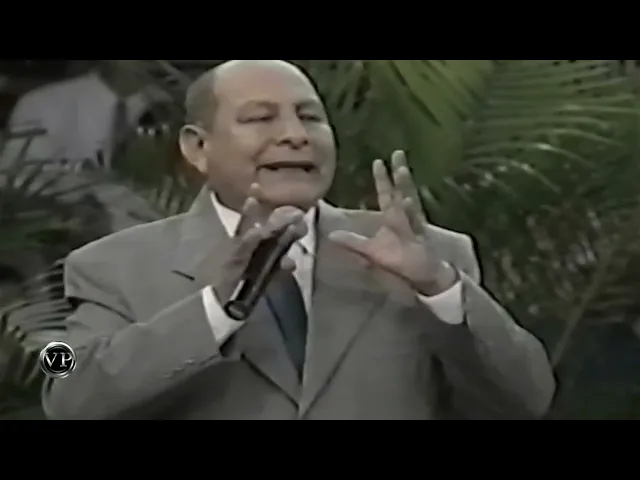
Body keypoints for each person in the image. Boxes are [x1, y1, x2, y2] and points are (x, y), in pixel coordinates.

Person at [42, 60, 556, 420]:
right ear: (198, 148)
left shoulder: (432, 256)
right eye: (260, 118)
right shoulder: (108, 266)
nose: (295, 134)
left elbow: (526, 400)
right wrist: (216, 309)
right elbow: (64, 388)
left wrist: (439, 290)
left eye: (310, 116)